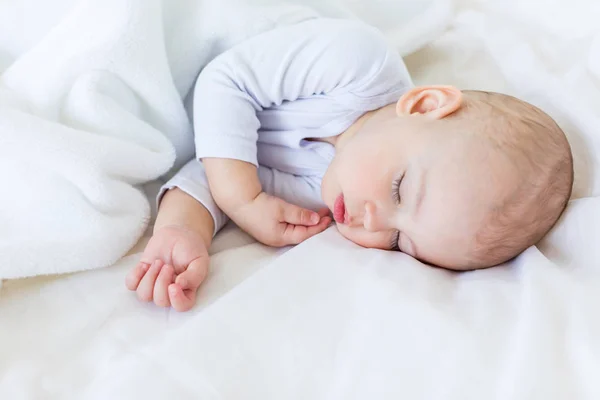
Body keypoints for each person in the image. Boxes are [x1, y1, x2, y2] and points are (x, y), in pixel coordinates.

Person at [125, 17, 573, 311]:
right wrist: (243, 200)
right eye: (399, 189)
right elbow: (227, 81)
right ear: (423, 104)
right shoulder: (358, 63)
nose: (374, 222)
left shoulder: (325, 191)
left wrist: (182, 231)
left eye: (399, 241)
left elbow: (214, 165)